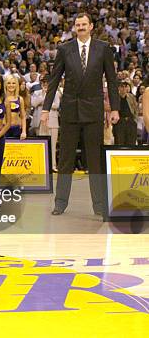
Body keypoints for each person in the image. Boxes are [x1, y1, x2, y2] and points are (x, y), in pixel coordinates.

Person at [41, 13, 119, 217]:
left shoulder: (103, 48)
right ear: (74, 27)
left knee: (94, 160)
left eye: (84, 24)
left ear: (91, 26)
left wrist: (115, 108)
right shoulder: (64, 49)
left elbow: (112, 80)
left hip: (93, 111)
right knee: (65, 159)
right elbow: (54, 80)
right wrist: (46, 109)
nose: (81, 27)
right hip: (70, 111)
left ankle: (99, 205)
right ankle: (60, 203)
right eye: (77, 24)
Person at [112, 81, 138, 145]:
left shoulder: (131, 97)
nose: (124, 88)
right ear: (118, 88)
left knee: (131, 142)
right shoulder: (115, 98)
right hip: (120, 122)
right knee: (119, 142)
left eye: (125, 87)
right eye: (122, 87)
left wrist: (135, 120)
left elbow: (135, 109)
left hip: (130, 121)